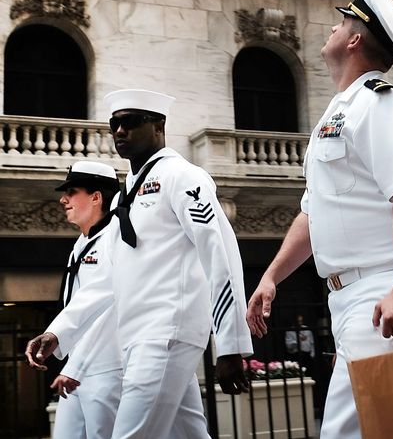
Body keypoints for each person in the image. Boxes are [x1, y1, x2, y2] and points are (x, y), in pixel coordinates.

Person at [246, 0, 393, 439]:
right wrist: (272, 276)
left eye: (341, 22)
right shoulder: (340, 111)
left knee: (370, 431)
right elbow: (314, 212)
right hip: (352, 298)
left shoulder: (381, 105)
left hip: (381, 291)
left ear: (354, 39)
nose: (331, 30)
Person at [26, 89, 252, 439]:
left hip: (165, 334)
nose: (119, 132)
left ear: (159, 125)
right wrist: (59, 330)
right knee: (190, 434)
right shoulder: (128, 194)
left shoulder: (183, 177)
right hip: (141, 338)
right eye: (114, 124)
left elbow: (219, 256)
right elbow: (107, 280)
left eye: (130, 123)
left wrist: (231, 343)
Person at [52, 161, 122, 439]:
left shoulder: (115, 241)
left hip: (108, 369)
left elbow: (111, 309)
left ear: (96, 197)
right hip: (78, 370)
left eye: (72, 191)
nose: (63, 199)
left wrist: (76, 366)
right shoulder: (82, 244)